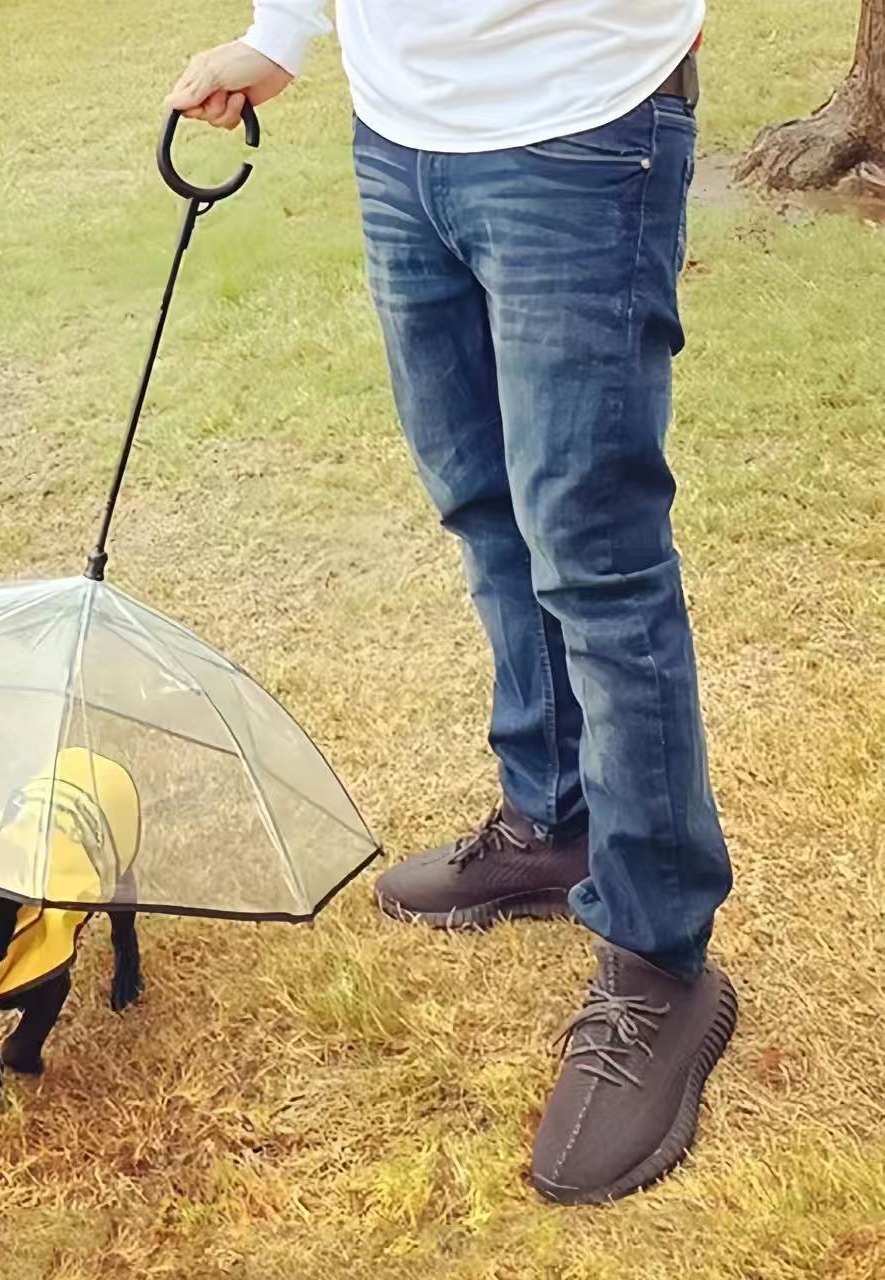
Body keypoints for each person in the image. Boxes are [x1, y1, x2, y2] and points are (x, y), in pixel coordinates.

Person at [168, 2, 735, 1205]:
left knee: (594, 555)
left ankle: (658, 952)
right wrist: (282, 37)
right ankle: (551, 819)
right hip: (399, 135)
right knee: (484, 507)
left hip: (580, 120)